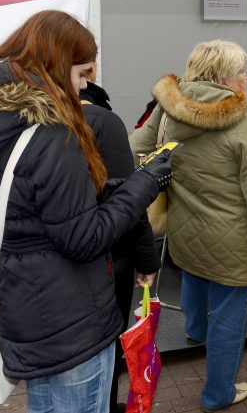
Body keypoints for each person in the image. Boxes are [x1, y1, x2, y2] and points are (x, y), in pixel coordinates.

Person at [0, 10, 173, 412]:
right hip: (72, 315)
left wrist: (111, 188)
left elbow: (31, 209)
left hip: (29, 306)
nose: (85, 85)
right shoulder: (50, 134)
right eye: (81, 73)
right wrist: (145, 183)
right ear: (54, 64)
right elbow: (83, 239)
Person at [129, 40, 247, 413]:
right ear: (223, 78)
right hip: (234, 242)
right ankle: (219, 395)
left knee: (196, 278)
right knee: (229, 322)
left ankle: (195, 331)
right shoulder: (244, 124)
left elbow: (133, 151)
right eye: (242, 71)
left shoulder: (167, 111)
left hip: (186, 230)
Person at [79, 74, 161, 413]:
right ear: (87, 74)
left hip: (62, 259)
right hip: (110, 256)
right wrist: (147, 261)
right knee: (106, 341)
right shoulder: (104, 122)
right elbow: (127, 200)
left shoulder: (37, 118)